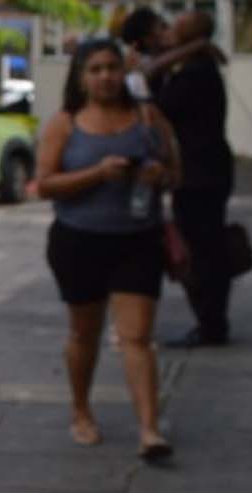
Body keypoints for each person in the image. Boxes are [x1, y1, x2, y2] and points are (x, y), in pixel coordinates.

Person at [33, 37, 180, 460]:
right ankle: (81, 410)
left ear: (125, 72)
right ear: (81, 76)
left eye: (112, 68)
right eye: (95, 69)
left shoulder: (148, 116)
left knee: (137, 336)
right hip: (78, 240)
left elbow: (176, 173)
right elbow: (44, 184)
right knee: (85, 333)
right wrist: (99, 173)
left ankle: (150, 430)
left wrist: (158, 175)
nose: (106, 77)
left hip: (138, 240)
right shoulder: (65, 122)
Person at [151, 10, 236, 346]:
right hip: (205, 170)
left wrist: (183, 52)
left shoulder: (196, 73)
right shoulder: (195, 67)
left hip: (201, 174)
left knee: (202, 249)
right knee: (203, 245)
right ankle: (211, 320)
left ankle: (212, 323)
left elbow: (156, 102)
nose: (167, 32)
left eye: (175, 27)